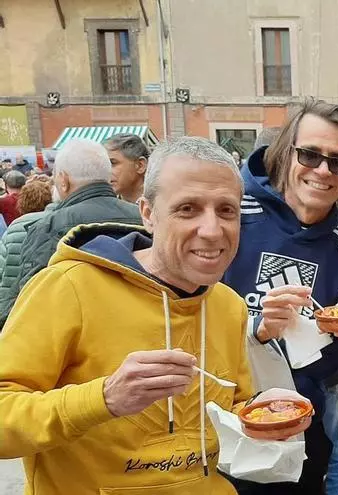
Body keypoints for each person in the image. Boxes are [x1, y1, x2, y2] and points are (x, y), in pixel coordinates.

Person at [0, 136, 308, 494]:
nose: (211, 231)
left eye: (226, 210)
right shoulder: (68, 287)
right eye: (187, 209)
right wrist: (105, 399)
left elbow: (233, 405)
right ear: (147, 213)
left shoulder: (229, 304)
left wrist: (267, 417)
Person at [222, 99, 338, 494]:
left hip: (298, 433)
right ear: (286, 153)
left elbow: (337, 363)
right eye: (310, 155)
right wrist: (258, 328)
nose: (323, 170)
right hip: (220, 427)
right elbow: (190, 305)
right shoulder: (231, 213)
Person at [0, 139, 142, 325]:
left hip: (73, 337)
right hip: (135, 329)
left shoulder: (50, 226)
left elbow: (30, 300)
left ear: (63, 180)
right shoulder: (143, 219)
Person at [0, 177, 54, 308]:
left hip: (14, 298)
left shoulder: (14, 228)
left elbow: (2, 267)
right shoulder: (56, 223)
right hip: (47, 294)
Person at [104, 133, 150, 203]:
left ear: (140, 165)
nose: (105, 171)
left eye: (113, 163)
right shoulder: (104, 208)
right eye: (104, 165)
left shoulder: (163, 204)